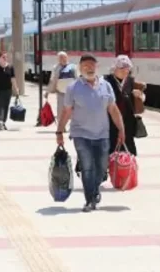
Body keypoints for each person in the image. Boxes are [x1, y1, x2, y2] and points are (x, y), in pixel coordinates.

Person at [55, 53, 125, 213]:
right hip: (81, 134)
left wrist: (121, 129)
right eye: (86, 65)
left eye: (92, 65)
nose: (89, 68)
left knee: (101, 168)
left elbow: (113, 109)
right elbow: (66, 111)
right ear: (80, 68)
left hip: (102, 134)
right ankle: (90, 200)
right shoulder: (73, 88)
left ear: (97, 67)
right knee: (87, 167)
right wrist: (59, 132)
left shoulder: (106, 86)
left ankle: (95, 190)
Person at [103, 55, 146, 156]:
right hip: (111, 121)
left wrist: (139, 96)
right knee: (112, 148)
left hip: (128, 121)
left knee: (129, 150)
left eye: (127, 69)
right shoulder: (106, 81)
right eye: (122, 68)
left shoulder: (130, 81)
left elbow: (142, 98)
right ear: (114, 68)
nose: (125, 71)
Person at [46, 52, 77, 131]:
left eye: (64, 57)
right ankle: (62, 127)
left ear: (67, 58)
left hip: (72, 93)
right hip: (60, 92)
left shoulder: (73, 67)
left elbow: (78, 79)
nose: (63, 59)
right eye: (60, 58)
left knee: (73, 110)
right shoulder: (56, 68)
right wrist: (47, 92)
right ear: (58, 59)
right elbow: (52, 80)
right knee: (60, 110)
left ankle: (73, 126)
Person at [0, 51, 19, 130]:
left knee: (6, 106)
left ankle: (3, 122)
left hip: (8, 90)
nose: (5, 58)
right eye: (3, 57)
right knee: (0, 106)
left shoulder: (10, 67)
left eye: (6, 57)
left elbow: (13, 79)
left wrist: (16, 89)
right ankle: (0, 122)